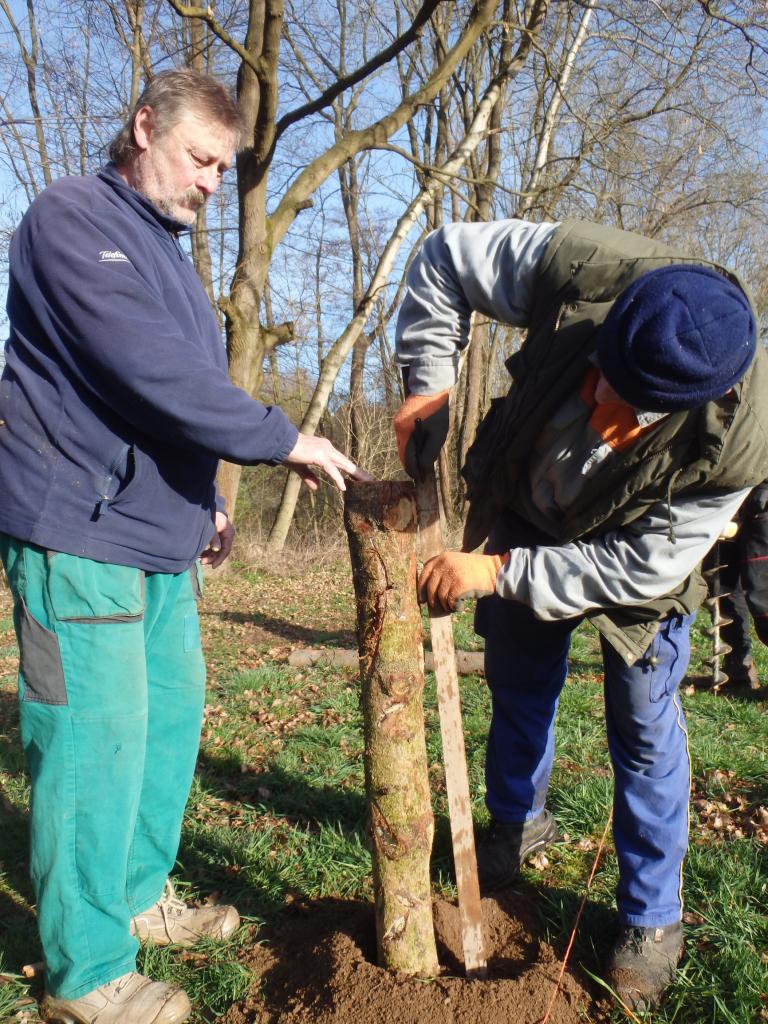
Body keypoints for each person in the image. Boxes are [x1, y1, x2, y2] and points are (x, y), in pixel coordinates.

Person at [0, 69, 370, 1024]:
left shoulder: (164, 251)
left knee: (165, 722)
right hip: (79, 529)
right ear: (143, 128)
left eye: (222, 167)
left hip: (159, 535)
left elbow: (175, 398)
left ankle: (133, 894)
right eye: (201, 158)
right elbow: (146, 369)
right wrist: (280, 438)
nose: (212, 181)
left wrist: (206, 500)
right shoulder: (71, 219)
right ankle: (85, 973)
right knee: (94, 741)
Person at [392, 218, 768, 1011]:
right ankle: (516, 822)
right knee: (519, 680)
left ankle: (651, 919)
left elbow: (641, 567)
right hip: (532, 507)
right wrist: (428, 381)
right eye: (603, 369)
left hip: (638, 555)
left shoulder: (741, 438)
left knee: (643, 721)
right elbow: (446, 257)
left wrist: (495, 572)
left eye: (625, 399)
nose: (596, 397)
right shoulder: (583, 268)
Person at [701, 479, 768, 690]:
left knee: (763, 595)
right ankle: (738, 668)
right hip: (725, 492)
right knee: (722, 583)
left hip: (761, 499)